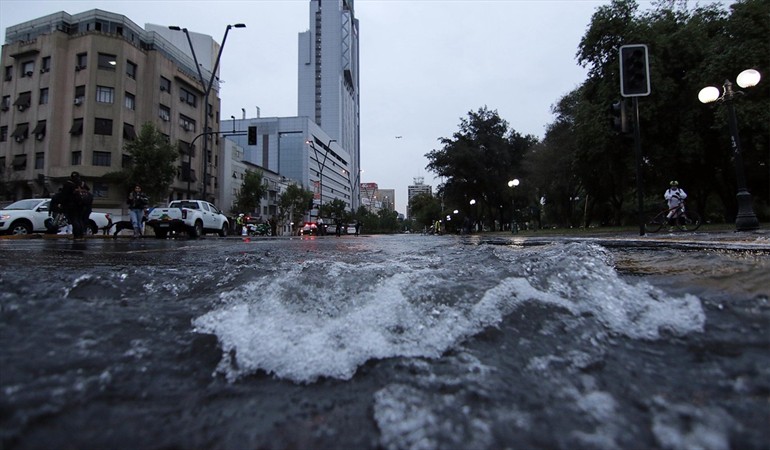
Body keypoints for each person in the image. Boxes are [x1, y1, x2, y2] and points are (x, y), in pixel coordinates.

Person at [61, 171, 86, 239]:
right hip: (81, 204)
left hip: (72, 205)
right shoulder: (81, 184)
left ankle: (76, 235)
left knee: (74, 220)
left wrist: (62, 204)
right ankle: (81, 235)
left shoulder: (68, 184)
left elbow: (64, 195)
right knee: (79, 220)